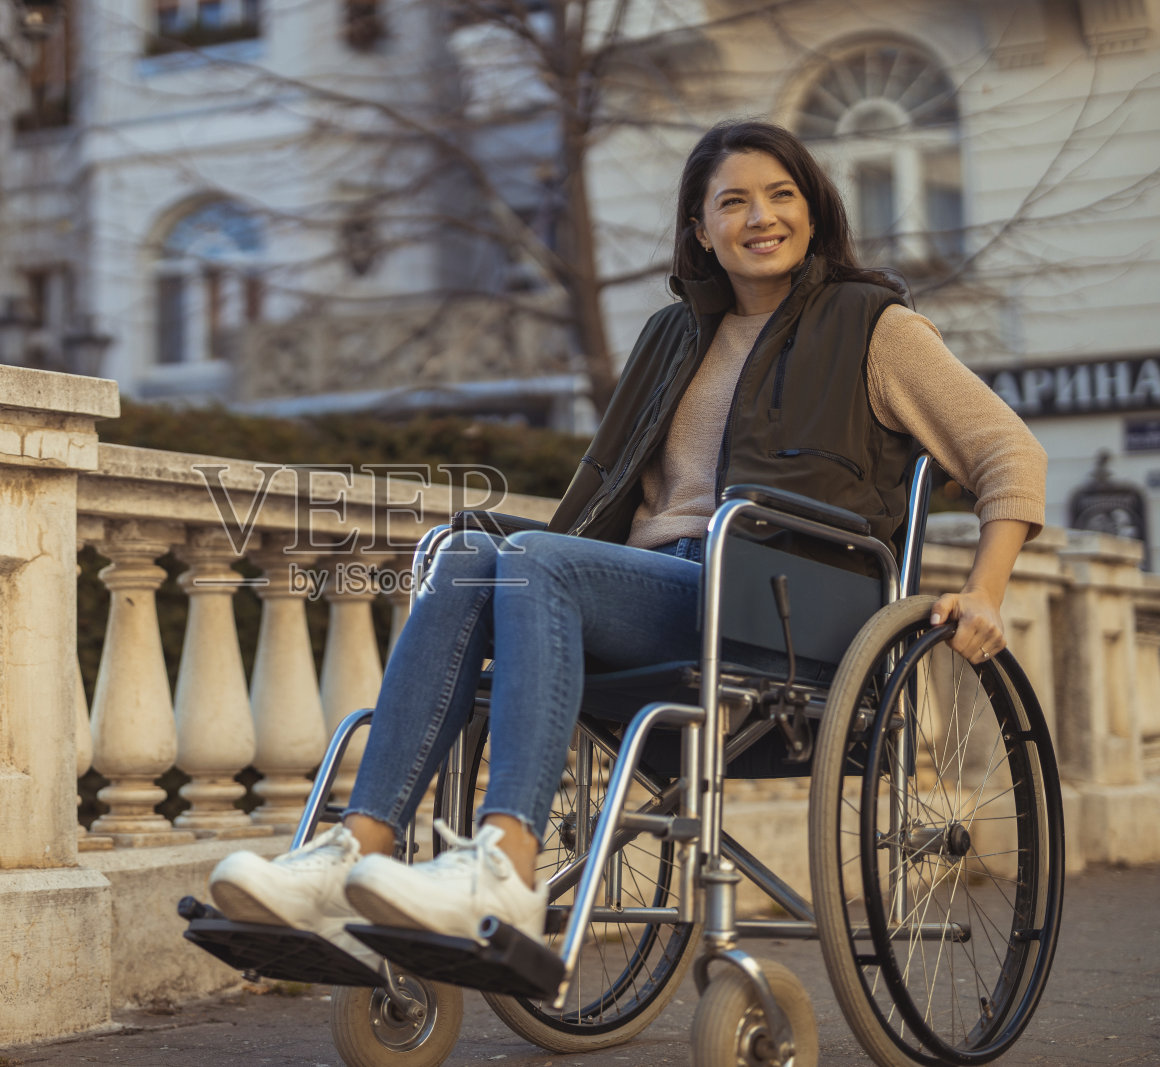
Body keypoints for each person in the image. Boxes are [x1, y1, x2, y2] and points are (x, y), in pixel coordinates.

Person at [206, 119, 1047, 972]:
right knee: (462, 553)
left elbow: (1007, 451)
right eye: (734, 202)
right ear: (701, 229)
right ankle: (357, 851)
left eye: (781, 195)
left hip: (779, 606)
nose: (761, 217)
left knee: (536, 563)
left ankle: (504, 865)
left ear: (814, 209)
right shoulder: (670, 338)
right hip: (654, 589)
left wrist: (986, 590)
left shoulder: (876, 326)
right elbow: (604, 505)